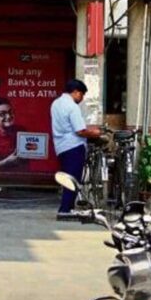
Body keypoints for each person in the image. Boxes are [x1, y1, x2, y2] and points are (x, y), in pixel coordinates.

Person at [51, 79, 103, 221]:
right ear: (75, 92)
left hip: (61, 147)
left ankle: (67, 207)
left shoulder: (56, 104)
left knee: (67, 178)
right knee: (73, 179)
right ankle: (65, 209)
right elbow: (80, 131)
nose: (82, 98)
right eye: (82, 95)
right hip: (73, 146)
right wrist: (95, 133)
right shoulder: (72, 107)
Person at [0, 98, 25, 172]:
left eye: (10, 112)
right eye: (2, 114)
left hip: (20, 176)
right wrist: (6, 162)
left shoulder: (21, 131)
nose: (8, 116)